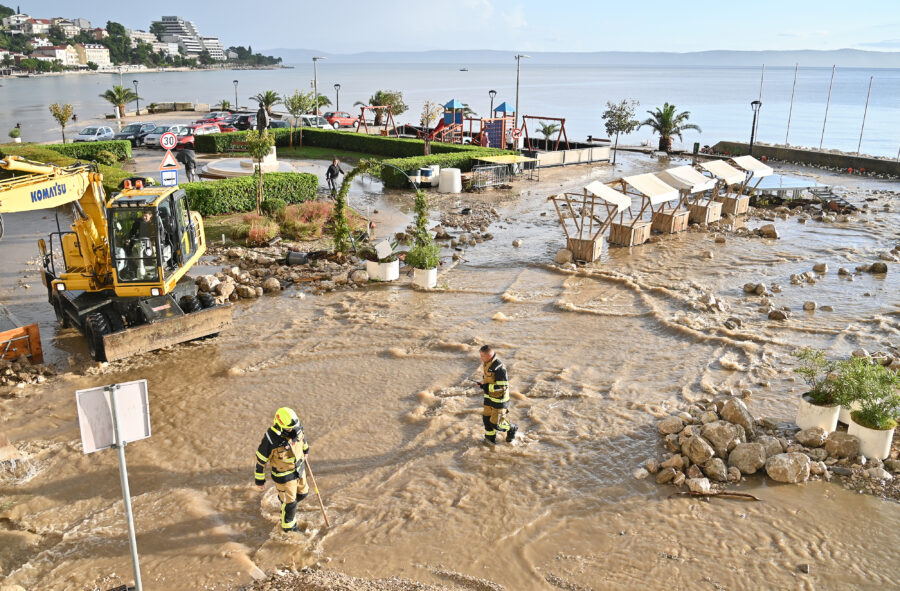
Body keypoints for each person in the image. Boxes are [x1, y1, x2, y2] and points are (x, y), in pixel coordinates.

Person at [254, 407, 310, 533]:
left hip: (300, 470)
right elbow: (260, 460)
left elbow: (303, 439)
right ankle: (289, 528)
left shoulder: (296, 426)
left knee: (303, 493)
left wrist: (306, 450)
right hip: (285, 476)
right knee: (290, 504)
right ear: (280, 426)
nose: (292, 429)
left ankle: (284, 503)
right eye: (288, 428)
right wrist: (260, 480)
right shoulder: (271, 439)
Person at [477, 345, 518, 444]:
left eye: (482, 356)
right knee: (486, 420)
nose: (481, 358)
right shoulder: (486, 364)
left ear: (489, 355)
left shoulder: (499, 367)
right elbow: (489, 380)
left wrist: (486, 387)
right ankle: (490, 440)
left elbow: (502, 387)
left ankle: (512, 428)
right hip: (489, 398)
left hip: (499, 400)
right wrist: (483, 383)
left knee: (497, 424)